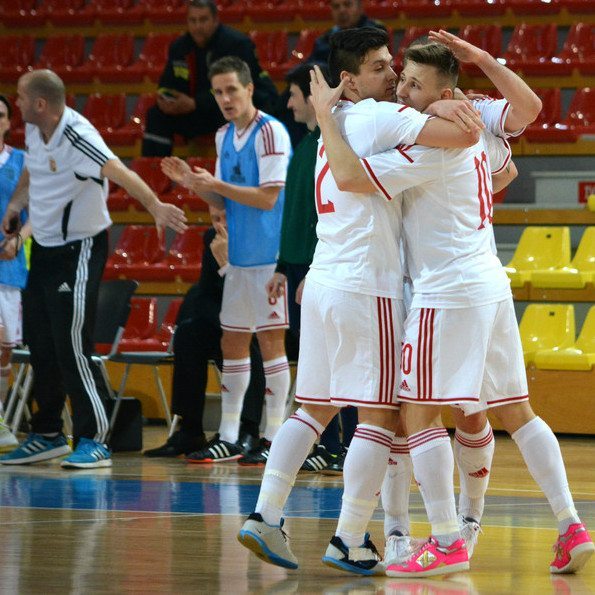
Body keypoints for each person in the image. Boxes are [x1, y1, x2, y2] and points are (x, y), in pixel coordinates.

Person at [314, 36, 594, 577]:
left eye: (415, 84)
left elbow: (349, 178)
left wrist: (329, 117)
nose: (403, 89)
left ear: (446, 90)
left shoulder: (426, 147)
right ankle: (570, 523)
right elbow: (505, 167)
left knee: (415, 411)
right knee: (516, 410)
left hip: (446, 290)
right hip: (490, 280)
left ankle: (444, 540)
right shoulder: (477, 131)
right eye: (402, 79)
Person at [237, 28, 482, 575]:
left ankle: (266, 512)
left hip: (324, 279)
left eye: (392, 63)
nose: (393, 74)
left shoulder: (336, 126)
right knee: (381, 411)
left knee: (315, 407)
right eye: (379, 66)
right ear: (347, 80)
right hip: (365, 284)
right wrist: (461, 105)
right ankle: (349, 536)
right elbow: (461, 137)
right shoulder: (374, 117)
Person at [0, 69, 187, 469]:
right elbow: (33, 170)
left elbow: (121, 172)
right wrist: (15, 206)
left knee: (71, 342)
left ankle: (94, 437)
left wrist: (155, 206)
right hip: (45, 248)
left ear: (40, 103)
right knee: (41, 342)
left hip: (81, 248)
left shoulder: (78, 136)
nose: (15, 103)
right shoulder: (35, 131)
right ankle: (47, 432)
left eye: (19, 97)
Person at [162, 56, 292, 464]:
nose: (225, 98)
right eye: (218, 92)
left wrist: (216, 184)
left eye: (231, 90)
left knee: (270, 342)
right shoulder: (222, 136)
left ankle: (273, 438)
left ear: (250, 88)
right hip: (238, 256)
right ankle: (231, 435)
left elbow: (269, 196)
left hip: (271, 256)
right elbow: (222, 199)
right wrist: (193, 184)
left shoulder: (271, 133)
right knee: (231, 340)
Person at [266, 63, 358, 473]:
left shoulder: (331, 141)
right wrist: (286, 267)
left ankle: (349, 444)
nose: (288, 104)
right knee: (319, 364)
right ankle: (332, 443)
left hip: (325, 269)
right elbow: (297, 215)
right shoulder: (305, 146)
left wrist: (310, 270)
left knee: (344, 361)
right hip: (305, 268)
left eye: (293, 95)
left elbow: (326, 217)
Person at [143, 218, 267, 459]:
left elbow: (260, 293)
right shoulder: (212, 237)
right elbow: (206, 292)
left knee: (245, 341)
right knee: (188, 334)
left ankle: (248, 430)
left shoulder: (262, 234)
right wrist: (224, 326)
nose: (220, 218)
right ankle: (189, 430)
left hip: (266, 320)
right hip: (226, 318)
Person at [142, 0, 278, 157]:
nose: (197, 26)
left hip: (226, 110)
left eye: (203, 20)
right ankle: (153, 174)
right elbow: (166, 82)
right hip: (195, 112)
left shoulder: (237, 44)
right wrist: (166, 99)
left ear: (215, 20)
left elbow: (239, 88)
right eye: (193, 21)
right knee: (156, 115)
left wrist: (195, 103)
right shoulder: (179, 47)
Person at [0, 94, 30, 452]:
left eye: (2, 115)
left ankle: (2, 420)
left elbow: (37, 209)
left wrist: (20, 238)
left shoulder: (23, 161)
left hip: (9, 264)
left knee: (4, 346)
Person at [307, 0, 385, 64]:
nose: (342, 10)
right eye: (336, 7)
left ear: (360, 7)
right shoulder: (327, 37)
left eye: (347, 4)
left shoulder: (375, 31)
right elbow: (311, 63)